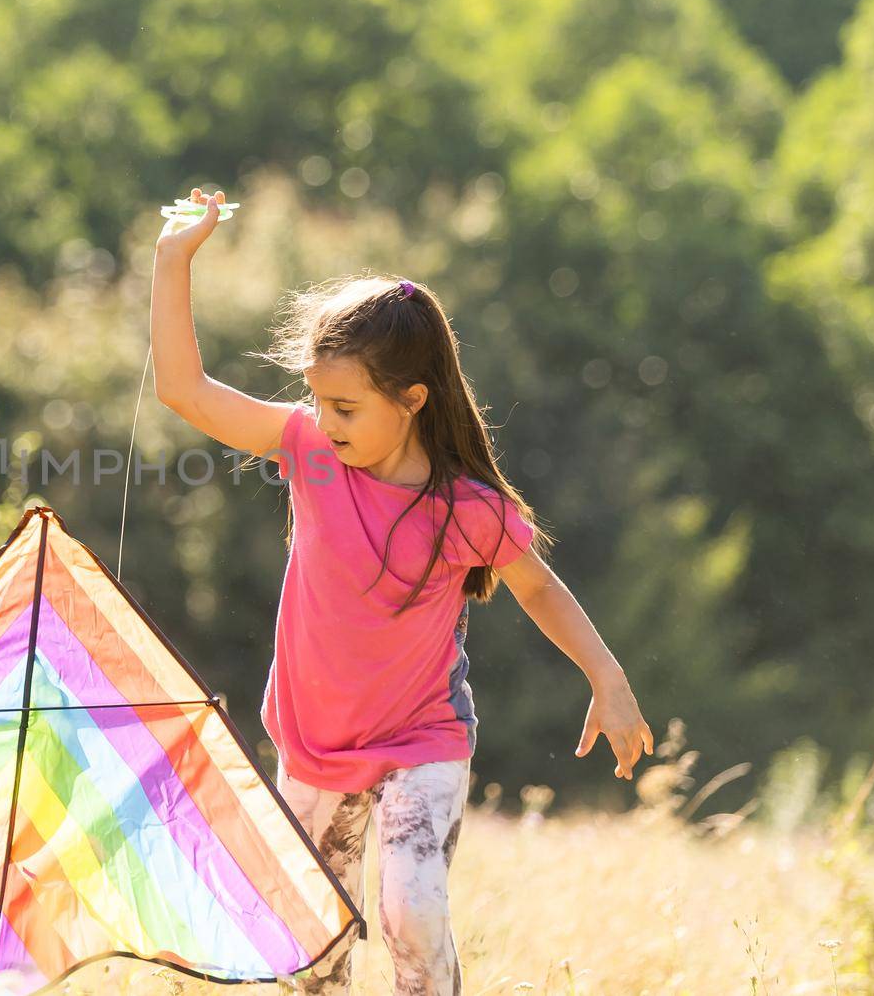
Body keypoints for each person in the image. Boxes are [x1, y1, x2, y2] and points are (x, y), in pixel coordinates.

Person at [150, 187, 655, 995]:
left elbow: (540, 588)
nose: (325, 418)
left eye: (345, 405)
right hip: (313, 743)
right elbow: (187, 391)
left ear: (413, 399)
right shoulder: (309, 449)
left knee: (411, 911)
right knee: (312, 947)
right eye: (317, 399)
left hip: (421, 738)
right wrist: (172, 261)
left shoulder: (467, 507)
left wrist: (609, 678)